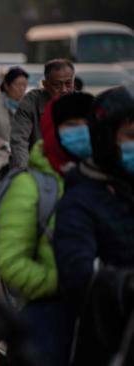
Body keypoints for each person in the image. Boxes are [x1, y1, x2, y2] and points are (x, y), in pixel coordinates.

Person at [0, 92, 95, 365]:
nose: (82, 131)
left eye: (87, 123)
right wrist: (59, 282)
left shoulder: (106, 179)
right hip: (52, 313)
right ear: (53, 130)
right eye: (71, 125)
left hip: (103, 312)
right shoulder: (31, 186)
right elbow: (9, 260)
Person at [53, 85, 134, 365]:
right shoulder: (79, 202)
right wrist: (123, 285)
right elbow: (79, 279)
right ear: (105, 139)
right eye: (131, 137)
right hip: (110, 342)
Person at [10, 59, 75, 169]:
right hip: (37, 168)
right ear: (45, 85)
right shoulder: (30, 103)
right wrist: (24, 171)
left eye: (68, 84)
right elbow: (19, 141)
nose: (64, 90)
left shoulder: (82, 103)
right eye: (57, 85)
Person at [0, 67, 29, 193]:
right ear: (7, 85)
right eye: (18, 85)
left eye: (24, 85)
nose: (21, 89)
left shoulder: (28, 105)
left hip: (21, 156)